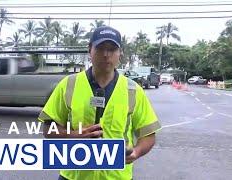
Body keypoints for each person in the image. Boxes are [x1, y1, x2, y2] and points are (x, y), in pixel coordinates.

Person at [38, 26, 161, 180]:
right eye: (100, 48)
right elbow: (48, 129)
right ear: (90, 50)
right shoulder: (68, 85)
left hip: (117, 176)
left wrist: (136, 152)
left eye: (112, 49)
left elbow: (148, 134)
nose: (106, 54)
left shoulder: (133, 90)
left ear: (120, 53)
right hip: (73, 176)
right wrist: (72, 135)